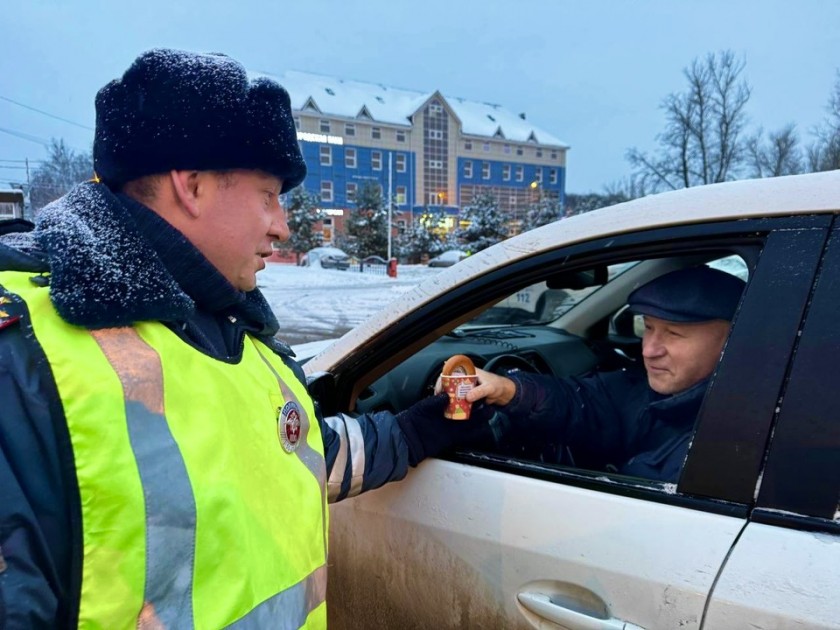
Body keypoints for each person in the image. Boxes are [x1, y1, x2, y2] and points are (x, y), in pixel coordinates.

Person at [0, 49, 476, 629]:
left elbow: (291, 457)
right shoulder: (23, 357)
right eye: (269, 196)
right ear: (192, 185)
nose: (281, 224)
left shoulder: (229, 328)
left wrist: (419, 428)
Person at [461, 266, 746, 482]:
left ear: (731, 340)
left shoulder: (729, 442)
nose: (648, 350)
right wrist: (511, 390)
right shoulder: (652, 390)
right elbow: (585, 401)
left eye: (674, 333)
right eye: (647, 327)